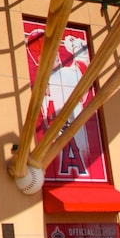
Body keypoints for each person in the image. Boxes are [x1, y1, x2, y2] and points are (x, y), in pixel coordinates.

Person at [26, 28, 91, 171]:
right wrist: (78, 48)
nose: (55, 53)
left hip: (58, 143)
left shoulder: (41, 81)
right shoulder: (59, 76)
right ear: (39, 59)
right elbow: (85, 72)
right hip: (73, 139)